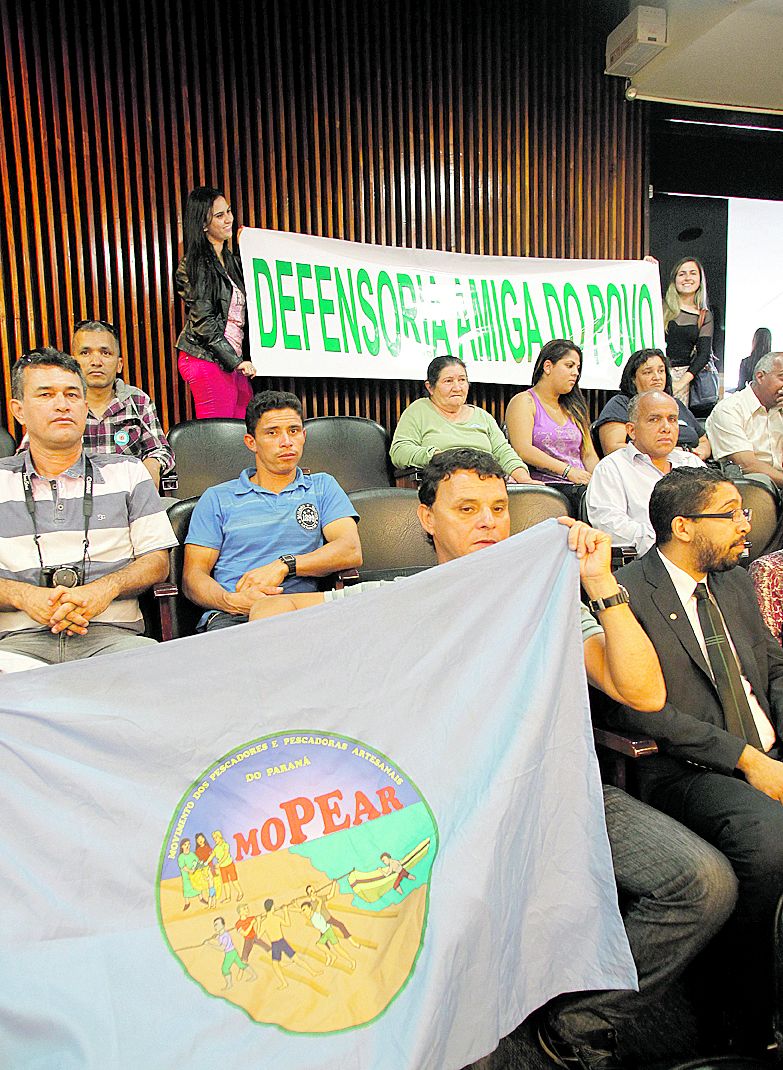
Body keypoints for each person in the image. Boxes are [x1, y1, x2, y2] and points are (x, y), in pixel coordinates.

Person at [248, 447, 738, 1070]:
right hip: (446, 812)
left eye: (500, 509)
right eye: (467, 508)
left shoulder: (544, 599)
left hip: (555, 792)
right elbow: (275, 612)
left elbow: (642, 691)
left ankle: (572, 1030)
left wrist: (600, 584)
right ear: (426, 518)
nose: (488, 521)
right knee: (448, 920)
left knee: (702, 884)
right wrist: (270, 588)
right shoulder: (402, 598)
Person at [614, 466, 783, 1052]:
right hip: (684, 768)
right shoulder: (628, 592)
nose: (747, 525)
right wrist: (748, 759)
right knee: (768, 836)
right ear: (683, 527)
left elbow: (774, 666)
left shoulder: (734, 582)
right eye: (732, 513)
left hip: (765, 751)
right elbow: (642, 714)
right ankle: (740, 1011)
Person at [0, 350, 176, 673]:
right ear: (19, 410)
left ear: (85, 406)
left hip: (113, 640)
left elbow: (156, 562)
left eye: (71, 394)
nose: (62, 404)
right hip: (15, 645)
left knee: (161, 677)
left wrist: (104, 589)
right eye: (45, 395)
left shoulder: (129, 472)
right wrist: (23, 595)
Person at [183, 390, 361, 632]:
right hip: (234, 616)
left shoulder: (322, 486)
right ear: (251, 442)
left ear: (304, 436)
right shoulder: (217, 498)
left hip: (303, 612)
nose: (286, 441)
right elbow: (192, 578)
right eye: (272, 433)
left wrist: (285, 565)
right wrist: (231, 602)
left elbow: (349, 549)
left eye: (294, 431)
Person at [586, 391, 704, 555]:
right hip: (646, 564)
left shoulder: (692, 463)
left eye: (672, 419)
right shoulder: (612, 468)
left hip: (702, 558)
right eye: (654, 419)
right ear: (631, 430)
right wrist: (671, 544)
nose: (666, 428)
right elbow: (611, 527)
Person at [174, 186, 256, 419]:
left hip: (232, 360)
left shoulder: (231, 261)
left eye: (228, 211)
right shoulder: (195, 264)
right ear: (203, 224)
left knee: (242, 430)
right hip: (206, 358)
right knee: (218, 437)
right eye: (219, 216)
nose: (229, 219)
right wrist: (235, 361)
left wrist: (247, 247)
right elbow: (204, 323)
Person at [388, 355, 534, 483]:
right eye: (448, 381)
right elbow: (399, 452)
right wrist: (438, 457)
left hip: (487, 484)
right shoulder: (418, 410)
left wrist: (525, 480)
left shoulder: (483, 416)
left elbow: (504, 453)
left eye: (462, 380)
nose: (457, 387)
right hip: (442, 484)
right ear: (430, 387)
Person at [70, 318, 175, 488]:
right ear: (72, 363)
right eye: (85, 353)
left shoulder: (137, 401)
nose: (96, 362)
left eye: (105, 353)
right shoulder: (60, 403)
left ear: (119, 364)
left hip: (126, 499)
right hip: (72, 501)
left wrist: (153, 463)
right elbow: (30, 455)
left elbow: (161, 450)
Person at [505, 339, 599, 491]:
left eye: (577, 367)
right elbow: (523, 449)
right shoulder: (524, 401)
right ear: (548, 366)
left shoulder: (575, 407)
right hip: (547, 487)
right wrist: (568, 471)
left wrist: (598, 480)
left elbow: (588, 453)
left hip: (581, 485)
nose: (575, 372)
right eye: (569, 366)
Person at [594, 347, 709, 459]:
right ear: (633, 379)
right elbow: (613, 448)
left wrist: (701, 452)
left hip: (691, 466)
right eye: (648, 372)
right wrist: (672, 453)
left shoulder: (675, 404)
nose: (657, 377)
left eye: (661, 371)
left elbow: (703, 440)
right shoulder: (621, 404)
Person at [705, 351, 783, 488]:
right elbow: (747, 465)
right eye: (782, 378)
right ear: (760, 377)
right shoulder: (729, 409)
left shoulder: (778, 408)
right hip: (754, 488)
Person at [662, 257, 714, 407]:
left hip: (682, 378)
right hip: (654, 372)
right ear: (675, 279)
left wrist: (681, 383)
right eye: (682, 274)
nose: (687, 278)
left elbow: (704, 354)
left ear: (700, 279)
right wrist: (646, 265)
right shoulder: (661, 306)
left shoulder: (704, 315)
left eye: (692, 273)